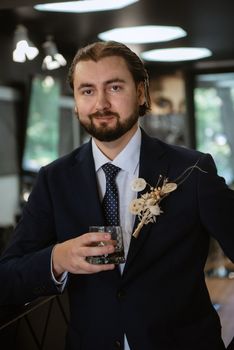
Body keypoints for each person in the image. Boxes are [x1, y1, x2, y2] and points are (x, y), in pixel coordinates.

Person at [0, 40, 234, 350]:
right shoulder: (54, 179)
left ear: (140, 92)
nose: (100, 104)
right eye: (87, 91)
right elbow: (7, 279)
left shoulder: (192, 170)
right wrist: (57, 258)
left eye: (114, 88)